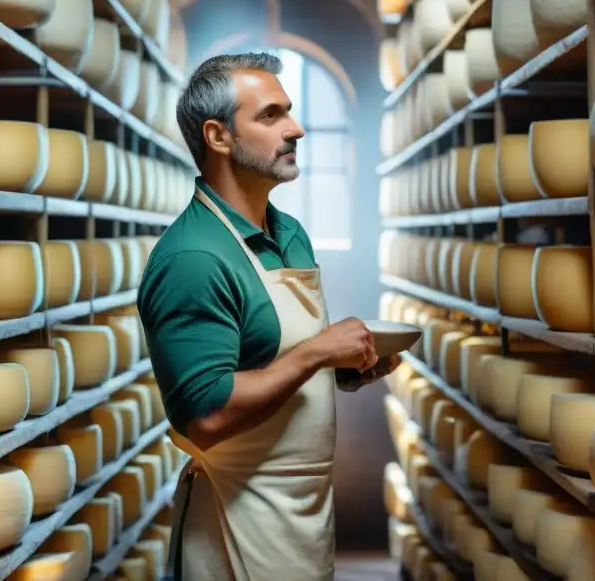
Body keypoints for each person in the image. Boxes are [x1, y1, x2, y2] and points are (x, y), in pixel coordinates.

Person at [137, 52, 400, 580]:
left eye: (291, 112)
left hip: (303, 516)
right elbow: (206, 416)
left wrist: (340, 369)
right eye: (271, 116)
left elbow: (273, 360)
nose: (296, 129)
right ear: (218, 137)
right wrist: (318, 351)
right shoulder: (194, 258)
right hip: (238, 522)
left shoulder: (292, 234)